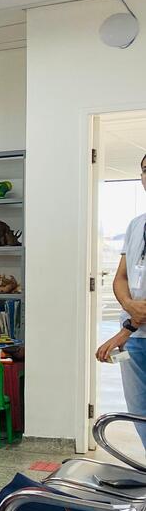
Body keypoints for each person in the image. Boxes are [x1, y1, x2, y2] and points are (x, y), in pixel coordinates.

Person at [98, 154, 146, 445]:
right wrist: (130, 307)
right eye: (144, 169)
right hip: (137, 337)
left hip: (132, 329)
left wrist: (126, 328)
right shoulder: (136, 224)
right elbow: (121, 277)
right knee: (139, 411)